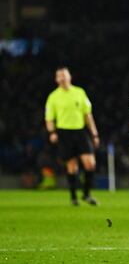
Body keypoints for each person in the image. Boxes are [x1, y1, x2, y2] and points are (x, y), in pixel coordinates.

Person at [44, 67, 100, 206]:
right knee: (72, 167)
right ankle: (74, 197)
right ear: (56, 79)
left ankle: (86, 194)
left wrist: (94, 134)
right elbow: (49, 118)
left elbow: (88, 115)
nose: (62, 78)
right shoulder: (53, 96)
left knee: (90, 164)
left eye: (64, 75)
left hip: (80, 131)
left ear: (70, 76)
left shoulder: (79, 92)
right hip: (64, 133)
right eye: (59, 76)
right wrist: (52, 133)